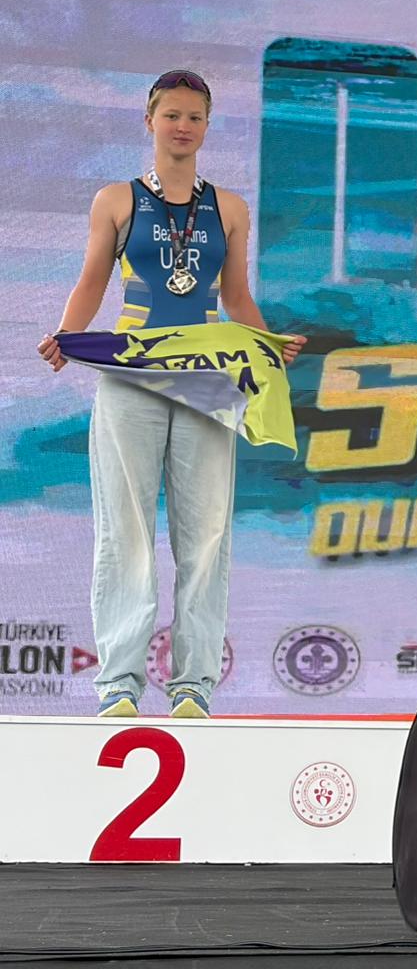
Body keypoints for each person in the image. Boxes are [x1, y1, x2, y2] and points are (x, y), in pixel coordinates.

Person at [35, 69, 305, 719]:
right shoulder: (116, 200)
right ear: (149, 121)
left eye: (195, 117)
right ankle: (120, 686)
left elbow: (235, 297)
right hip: (131, 373)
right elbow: (93, 281)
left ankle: (193, 687)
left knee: (206, 534)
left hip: (207, 378)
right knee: (124, 530)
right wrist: (68, 336)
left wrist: (267, 345)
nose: (183, 126)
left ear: (207, 127)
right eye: (171, 115)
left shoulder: (229, 208)